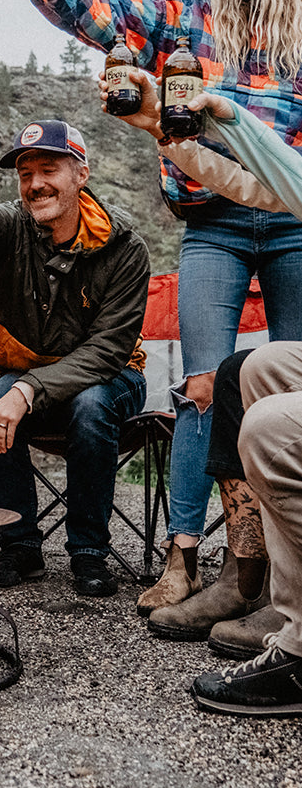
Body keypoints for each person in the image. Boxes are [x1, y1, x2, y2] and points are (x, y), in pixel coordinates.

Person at [0, 0, 302, 618]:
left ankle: (281, 578)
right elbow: (101, 13)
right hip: (210, 223)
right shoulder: (185, 14)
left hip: (293, 222)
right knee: (201, 388)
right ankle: (187, 557)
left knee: (291, 394)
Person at [110, 75, 302, 713]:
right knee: (232, 377)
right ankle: (237, 570)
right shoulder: (184, 36)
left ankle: (288, 610)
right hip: (217, 216)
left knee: (273, 423)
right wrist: (169, 127)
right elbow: (269, 183)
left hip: (288, 236)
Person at [0, 118, 149, 596]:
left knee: (91, 404)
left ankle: (88, 552)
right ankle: (19, 546)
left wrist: (29, 388)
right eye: (25, 173)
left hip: (111, 377)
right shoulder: (14, 228)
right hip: (28, 373)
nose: (35, 184)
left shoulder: (125, 248)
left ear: (81, 174)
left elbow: (107, 350)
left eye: (49, 169)